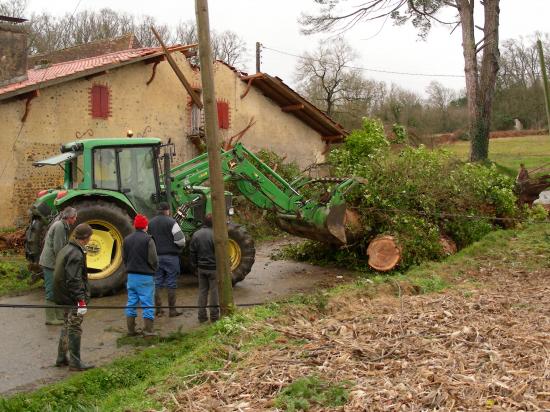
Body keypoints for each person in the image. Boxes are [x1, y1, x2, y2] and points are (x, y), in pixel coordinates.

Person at [52, 223, 94, 371]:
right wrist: (81, 300)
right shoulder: (76, 253)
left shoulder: (66, 248)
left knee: (66, 325)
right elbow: (73, 279)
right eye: (90, 236)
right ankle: (75, 362)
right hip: (72, 297)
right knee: (75, 327)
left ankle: (61, 357)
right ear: (86, 237)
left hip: (63, 295)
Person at [39, 207, 78, 325]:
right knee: (51, 290)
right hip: (50, 263)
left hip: (53, 262)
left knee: (57, 289)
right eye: (75, 217)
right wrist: (64, 265)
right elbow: (58, 249)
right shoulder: (60, 227)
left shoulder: (63, 225)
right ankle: (50, 318)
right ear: (70, 218)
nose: (76, 219)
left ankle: (59, 315)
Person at [123, 214, 159, 337]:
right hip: (145, 276)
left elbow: (125, 258)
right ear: (145, 226)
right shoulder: (149, 239)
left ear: (135, 226)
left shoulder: (126, 239)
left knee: (131, 302)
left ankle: (131, 330)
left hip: (131, 277)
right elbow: (153, 259)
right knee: (147, 303)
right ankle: (148, 330)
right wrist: (154, 269)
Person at [148, 202, 186, 317]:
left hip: (156, 257)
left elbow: (148, 240)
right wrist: (178, 248)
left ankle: (158, 310)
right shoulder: (172, 222)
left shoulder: (151, 223)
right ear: (167, 211)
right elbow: (181, 241)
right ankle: (172, 310)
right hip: (171, 257)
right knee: (171, 283)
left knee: (157, 283)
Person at [189, 214, 219, 323]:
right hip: (213, 268)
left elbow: (192, 252)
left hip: (201, 268)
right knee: (214, 292)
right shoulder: (216, 235)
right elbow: (220, 253)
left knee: (202, 292)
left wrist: (194, 266)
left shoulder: (196, 234)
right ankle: (214, 316)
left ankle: (201, 316)